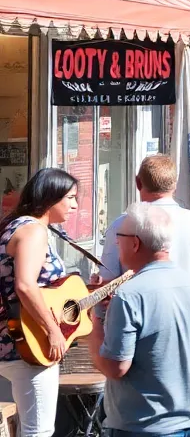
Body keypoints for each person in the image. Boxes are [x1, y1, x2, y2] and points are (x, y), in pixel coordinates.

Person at [87, 203, 190, 437]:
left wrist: (94, 328)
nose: (114, 243)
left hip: (144, 426)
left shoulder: (129, 295)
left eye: (118, 237)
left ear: (135, 243)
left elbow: (116, 367)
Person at [0, 168, 78, 437]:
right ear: (50, 198)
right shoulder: (33, 231)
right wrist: (53, 330)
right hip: (27, 345)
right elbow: (25, 285)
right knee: (38, 431)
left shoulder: (16, 225)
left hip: (12, 340)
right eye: (70, 198)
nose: (75, 205)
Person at [99, 154, 190, 307]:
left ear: (138, 183)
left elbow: (107, 282)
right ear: (174, 185)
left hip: (144, 316)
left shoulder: (123, 225)